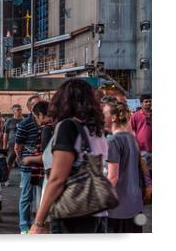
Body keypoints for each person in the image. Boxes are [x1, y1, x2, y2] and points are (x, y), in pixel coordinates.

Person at [30, 79, 109, 234]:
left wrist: (39, 222)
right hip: (98, 211)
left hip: (72, 213)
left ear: (62, 100)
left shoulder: (68, 126)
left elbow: (57, 179)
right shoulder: (96, 129)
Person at [103, 101, 145, 233]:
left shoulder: (113, 140)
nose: (101, 117)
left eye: (103, 113)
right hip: (135, 204)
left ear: (113, 117)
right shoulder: (131, 138)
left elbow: (113, 177)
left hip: (119, 209)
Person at [14, 95, 42, 234]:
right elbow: (17, 147)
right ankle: (24, 227)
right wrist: (22, 160)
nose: (40, 107)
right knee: (27, 196)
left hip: (44, 166)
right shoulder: (24, 124)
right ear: (29, 108)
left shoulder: (47, 122)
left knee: (43, 197)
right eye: (37, 104)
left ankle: (39, 224)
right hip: (29, 167)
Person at [2, 104, 24, 183]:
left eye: (20, 109)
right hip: (11, 144)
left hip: (22, 144)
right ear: (13, 111)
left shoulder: (24, 120)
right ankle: (6, 179)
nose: (19, 111)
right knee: (9, 162)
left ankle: (23, 180)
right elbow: (5, 134)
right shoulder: (9, 121)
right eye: (18, 109)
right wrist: (4, 146)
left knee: (22, 162)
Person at [130, 94, 152, 172]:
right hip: (141, 150)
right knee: (143, 173)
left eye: (150, 101)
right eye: (146, 102)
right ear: (141, 103)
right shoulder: (135, 116)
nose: (149, 103)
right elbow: (131, 130)